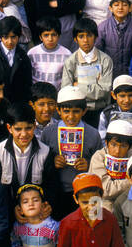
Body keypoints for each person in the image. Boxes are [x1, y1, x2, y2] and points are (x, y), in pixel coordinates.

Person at [42, 86, 101, 218]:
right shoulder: (48, 132)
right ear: (58, 110)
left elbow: (100, 162)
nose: (71, 116)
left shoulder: (93, 134)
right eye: (66, 111)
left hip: (84, 192)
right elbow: (41, 162)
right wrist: (53, 161)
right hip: (56, 191)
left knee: (87, 225)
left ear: (84, 111)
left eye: (76, 111)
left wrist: (89, 164)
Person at [62, 17, 112, 116]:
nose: (85, 40)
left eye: (89, 35)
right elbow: (67, 90)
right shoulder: (70, 61)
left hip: (100, 109)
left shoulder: (105, 60)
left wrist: (78, 86)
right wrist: (95, 87)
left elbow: (105, 91)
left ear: (96, 37)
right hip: (78, 112)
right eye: (81, 36)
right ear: (75, 39)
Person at [96, 74, 132, 149]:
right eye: (122, 96)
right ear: (113, 95)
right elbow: (102, 140)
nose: (127, 100)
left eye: (130, 95)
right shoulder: (106, 114)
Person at [0, 15, 33, 102]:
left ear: (19, 36)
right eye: (6, 37)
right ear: (0, 37)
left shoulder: (23, 56)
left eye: (13, 37)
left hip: (18, 104)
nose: (10, 41)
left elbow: (27, 83)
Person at [98, 0, 132, 78]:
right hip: (109, 73)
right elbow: (98, 52)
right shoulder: (102, 27)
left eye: (125, 5)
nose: (120, 8)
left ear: (131, 8)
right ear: (110, 8)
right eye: (116, 5)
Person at [28, 16, 71, 88]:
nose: (50, 39)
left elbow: (68, 79)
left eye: (53, 35)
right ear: (40, 37)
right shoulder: (32, 53)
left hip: (57, 94)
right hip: (37, 95)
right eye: (46, 35)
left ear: (59, 36)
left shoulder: (67, 54)